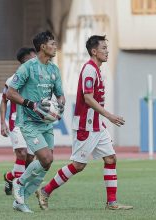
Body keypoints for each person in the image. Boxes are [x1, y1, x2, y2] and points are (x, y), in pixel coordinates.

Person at [36, 35, 133, 211]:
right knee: (78, 165)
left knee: (111, 158)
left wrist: (103, 118)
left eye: (106, 48)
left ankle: (112, 202)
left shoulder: (97, 70)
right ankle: (45, 190)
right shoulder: (89, 69)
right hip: (86, 125)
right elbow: (88, 98)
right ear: (94, 51)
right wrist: (109, 115)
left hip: (97, 125)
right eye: (103, 48)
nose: (107, 51)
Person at [6, 31, 65, 213]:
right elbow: (10, 93)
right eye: (52, 44)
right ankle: (20, 182)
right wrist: (32, 104)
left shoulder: (54, 69)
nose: (55, 47)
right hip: (28, 122)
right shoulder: (27, 68)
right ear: (43, 47)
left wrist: (60, 105)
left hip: (46, 123)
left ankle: (19, 201)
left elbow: (60, 94)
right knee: (45, 158)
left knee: (47, 163)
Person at [0, 47, 36, 196]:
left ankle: (9, 177)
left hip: (32, 124)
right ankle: (18, 188)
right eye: (33, 59)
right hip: (17, 122)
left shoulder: (38, 80)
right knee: (21, 153)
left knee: (30, 159)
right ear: (24, 61)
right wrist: (2, 122)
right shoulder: (12, 80)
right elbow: (3, 101)